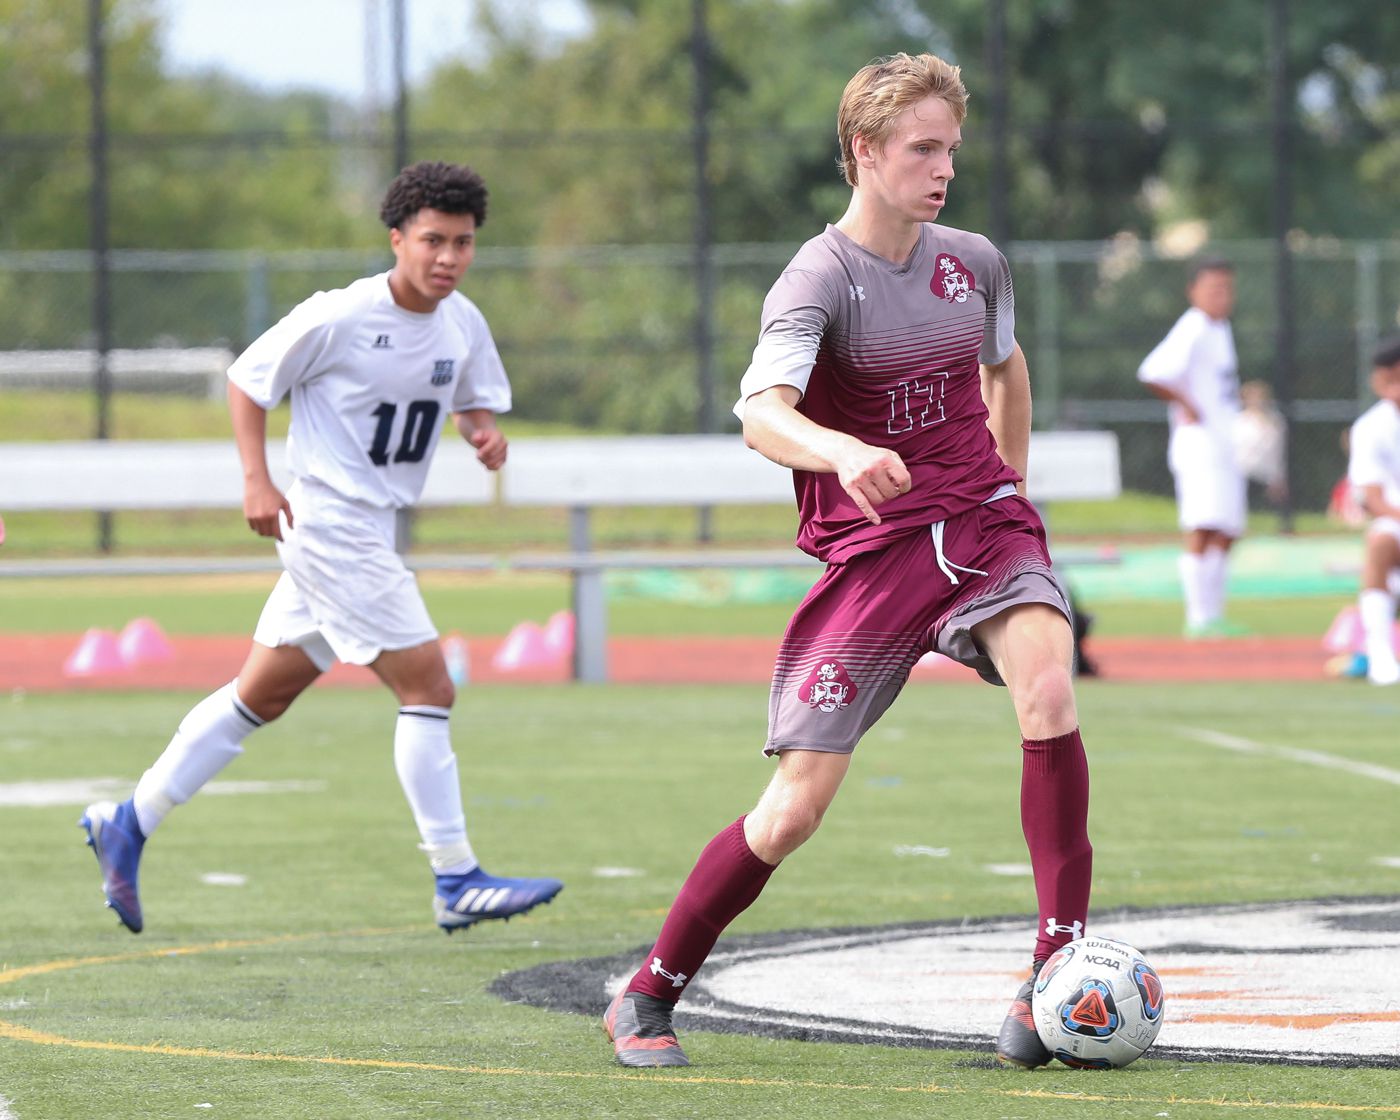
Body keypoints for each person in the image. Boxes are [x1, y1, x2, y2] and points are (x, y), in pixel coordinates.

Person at [601, 53, 1092, 1072]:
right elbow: (758, 414)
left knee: (1048, 687)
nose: (942, 167)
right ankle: (649, 989)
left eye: (949, 148)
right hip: (874, 555)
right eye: (921, 148)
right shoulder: (817, 278)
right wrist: (843, 449)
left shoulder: (973, 261)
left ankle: (1055, 970)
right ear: (864, 153)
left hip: (983, 519)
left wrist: (1011, 486)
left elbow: (1005, 366)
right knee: (793, 810)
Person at [80, 161, 562, 935]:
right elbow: (248, 382)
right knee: (430, 688)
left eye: (463, 243)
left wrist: (482, 433)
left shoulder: (461, 321)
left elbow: (469, 396)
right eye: (432, 240)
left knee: (258, 697)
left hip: (365, 530)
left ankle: (128, 822)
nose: (448, 257)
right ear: (397, 238)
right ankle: (455, 876)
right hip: (332, 523)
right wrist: (255, 481)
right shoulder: (340, 315)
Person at [1137, 257, 1248, 638]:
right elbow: (1153, 371)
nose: (1222, 295)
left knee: (1227, 528)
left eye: (1227, 288)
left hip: (1224, 442)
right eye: (1214, 287)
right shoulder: (1195, 326)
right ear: (1194, 291)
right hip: (1200, 446)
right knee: (1202, 525)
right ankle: (1199, 617)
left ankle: (1214, 614)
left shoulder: (1219, 328)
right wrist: (1187, 404)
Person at [1344, 335, 1400, 686]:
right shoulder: (1370, 428)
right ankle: (1381, 656)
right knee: (1379, 544)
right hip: (1396, 523)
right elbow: (1373, 498)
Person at [1232, 379, 1288, 513]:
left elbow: (1280, 452)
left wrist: (1279, 478)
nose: (1257, 400)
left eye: (1260, 396)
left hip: (1268, 478)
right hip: (1242, 475)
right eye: (1252, 397)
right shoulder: (1236, 421)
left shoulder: (1277, 421)